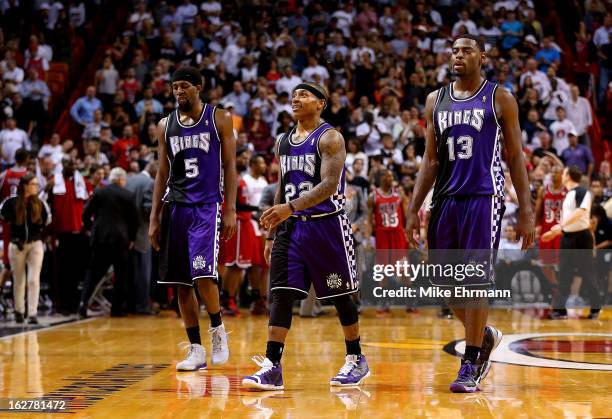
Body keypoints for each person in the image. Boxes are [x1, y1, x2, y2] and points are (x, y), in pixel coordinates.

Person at [406, 35, 535, 393]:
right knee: (443, 282)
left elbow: (515, 158)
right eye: (454, 51)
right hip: (445, 198)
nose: (458, 56)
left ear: (483, 56)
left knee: (475, 280)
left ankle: (471, 361)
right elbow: (430, 160)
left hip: (483, 196)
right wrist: (413, 207)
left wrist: (527, 210)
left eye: (466, 50)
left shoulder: (500, 98)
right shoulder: (436, 99)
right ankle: (485, 334)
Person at [242, 82, 369, 390]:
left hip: (327, 226)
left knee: (340, 295)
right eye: (294, 94)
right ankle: (273, 366)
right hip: (291, 226)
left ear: (321, 104)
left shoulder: (330, 137)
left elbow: (328, 184)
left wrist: (290, 207)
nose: (296, 99)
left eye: (304, 95)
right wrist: (272, 232)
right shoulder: (282, 140)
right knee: (281, 293)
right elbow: (283, 186)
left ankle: (356, 358)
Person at [148, 67, 236, 371]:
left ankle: (218, 329)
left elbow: (229, 166)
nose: (178, 91)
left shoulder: (219, 118)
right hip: (175, 207)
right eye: (174, 86)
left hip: (207, 206)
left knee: (202, 274)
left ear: (198, 87)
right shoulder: (165, 125)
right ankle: (196, 349)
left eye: (184, 86)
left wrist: (231, 209)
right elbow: (162, 172)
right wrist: (154, 217)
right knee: (180, 283)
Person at [78, 167, 139, 317]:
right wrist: (131, 238)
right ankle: (117, 310)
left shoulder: (100, 192)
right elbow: (134, 220)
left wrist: (91, 229)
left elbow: (85, 213)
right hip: (121, 240)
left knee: (93, 274)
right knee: (121, 276)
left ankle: (83, 304)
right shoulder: (128, 194)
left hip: (101, 239)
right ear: (121, 179)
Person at [547, 166, 601, 319]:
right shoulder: (569, 194)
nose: (562, 176)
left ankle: (595, 308)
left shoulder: (582, 192)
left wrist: (562, 225)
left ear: (568, 176)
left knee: (588, 274)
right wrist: (556, 232)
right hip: (567, 237)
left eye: (564, 173)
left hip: (582, 238)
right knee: (564, 274)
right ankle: (560, 310)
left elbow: (581, 211)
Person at [0, 174, 51, 324]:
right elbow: (4, 217)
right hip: (17, 245)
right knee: (19, 279)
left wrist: (40, 236)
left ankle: (33, 313)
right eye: (33, 184)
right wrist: (15, 236)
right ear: (25, 186)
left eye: (36, 184)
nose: (36, 186)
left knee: (33, 279)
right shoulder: (12, 202)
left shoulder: (40, 203)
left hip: (35, 244)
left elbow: (47, 221)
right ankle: (19, 310)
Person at [368, 169, 409, 315]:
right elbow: (369, 221)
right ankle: (384, 301)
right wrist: (369, 239)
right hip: (382, 235)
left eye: (392, 175)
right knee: (383, 272)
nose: (391, 177)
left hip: (398, 234)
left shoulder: (400, 194)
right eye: (388, 175)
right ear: (381, 178)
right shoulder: (373, 196)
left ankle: (409, 300)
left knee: (404, 270)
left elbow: (407, 215)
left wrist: (409, 234)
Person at [125, 161, 157, 314]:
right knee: (143, 272)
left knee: (130, 272)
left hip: (126, 233)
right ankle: (142, 306)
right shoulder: (150, 182)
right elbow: (147, 208)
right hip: (142, 232)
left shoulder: (129, 179)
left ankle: (130, 305)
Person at [536, 161, 565, 299]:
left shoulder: (568, 191)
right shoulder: (544, 189)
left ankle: (562, 291)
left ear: (562, 174)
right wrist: (536, 226)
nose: (553, 174)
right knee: (545, 265)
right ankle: (556, 286)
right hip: (546, 231)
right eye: (552, 171)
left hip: (561, 231)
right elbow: (537, 211)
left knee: (562, 264)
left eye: (556, 171)